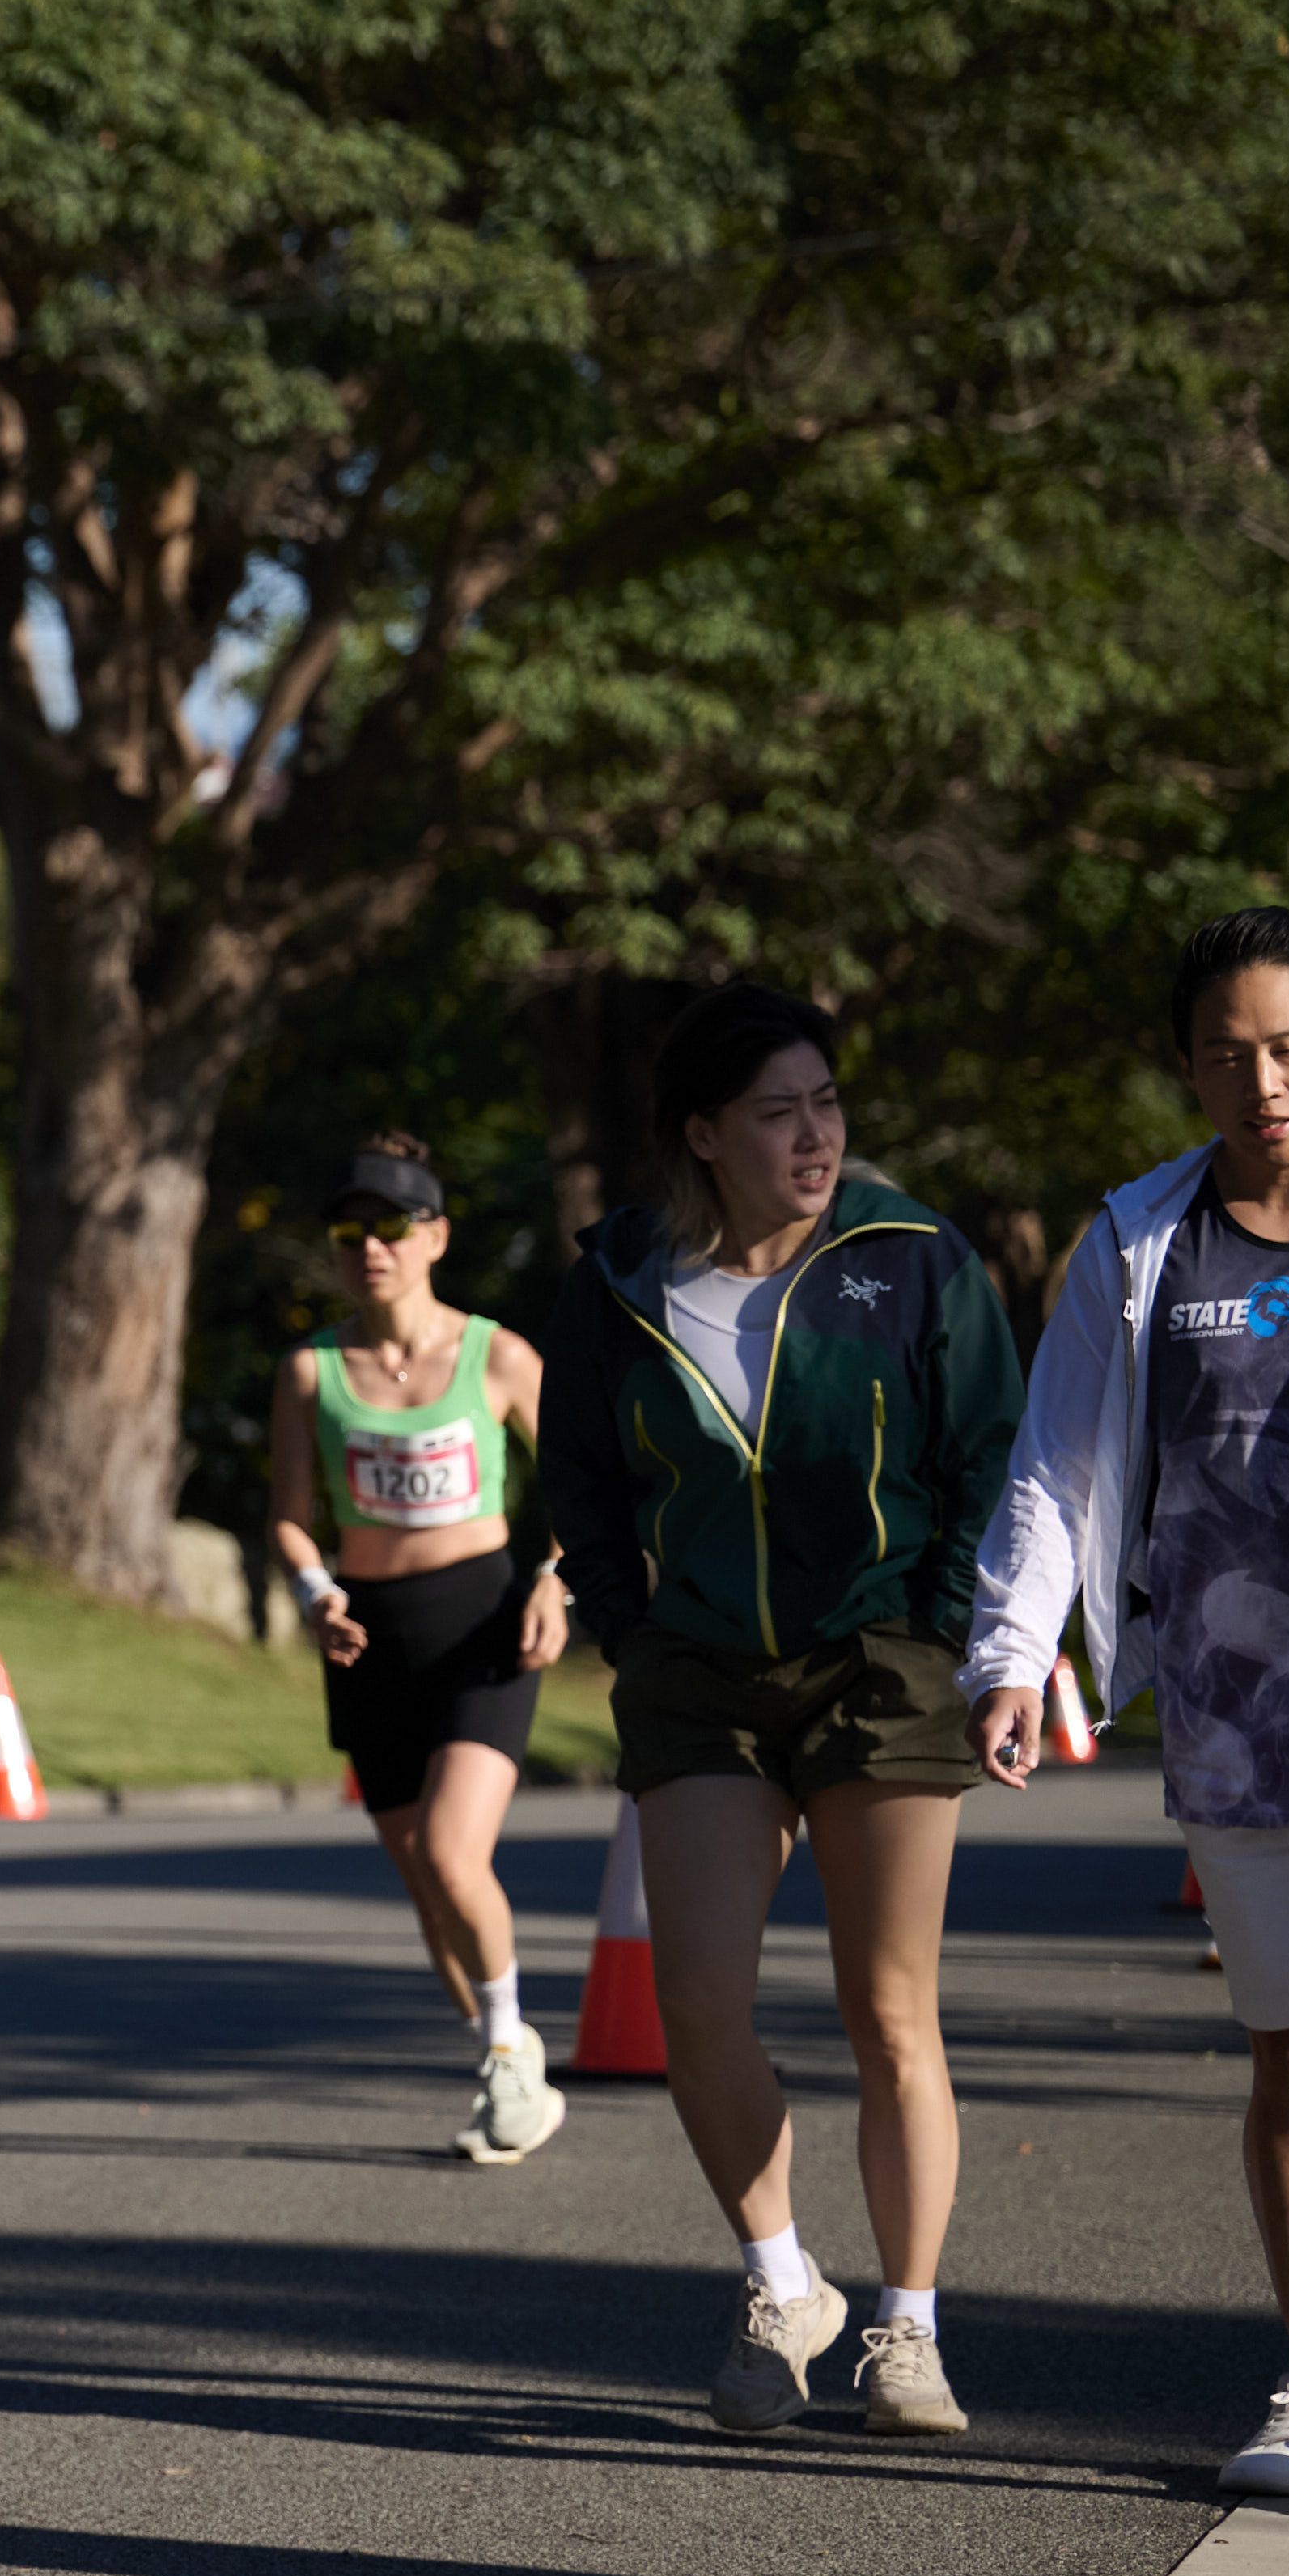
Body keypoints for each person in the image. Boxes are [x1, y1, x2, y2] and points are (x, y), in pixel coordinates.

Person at [967, 907, 1289, 2510]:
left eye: (1284, 1042)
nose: (1260, 1078)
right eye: (1224, 1051)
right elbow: (1057, 1458)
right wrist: (1010, 1649)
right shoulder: (1137, 1239)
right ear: (1185, 1067)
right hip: (1235, 1707)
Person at [539, 981, 1024, 2443]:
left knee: (891, 2011)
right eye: (777, 1111)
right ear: (705, 1133)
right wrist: (630, 1626)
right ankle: (782, 2280)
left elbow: (989, 1454)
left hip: (881, 1661)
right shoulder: (621, 1277)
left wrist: (941, 1625)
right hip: (698, 1672)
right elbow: (582, 1477)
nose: (813, 1134)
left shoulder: (912, 1258)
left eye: (825, 1102)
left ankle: (909, 2328)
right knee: (697, 2005)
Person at [265, 1133, 572, 2163]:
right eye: (349, 1231)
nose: (369, 1247)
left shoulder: (499, 1355)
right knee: (420, 1880)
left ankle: (506, 2055)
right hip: (366, 1640)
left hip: (479, 1623)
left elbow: (583, 1489)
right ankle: (503, 2049)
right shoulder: (310, 1370)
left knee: (451, 1851)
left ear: (434, 1235)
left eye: (390, 1226)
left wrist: (552, 1577)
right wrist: (312, 1590)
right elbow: (288, 1516)